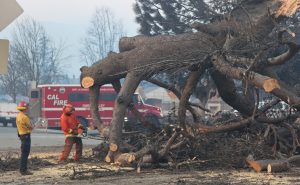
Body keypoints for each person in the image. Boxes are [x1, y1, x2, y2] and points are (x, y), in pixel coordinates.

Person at [16, 101, 33, 175]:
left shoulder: (18, 116)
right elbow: (30, 126)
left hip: (21, 135)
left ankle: (23, 169)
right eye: (27, 107)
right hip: (26, 136)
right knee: (25, 153)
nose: (28, 108)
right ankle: (23, 170)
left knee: (24, 153)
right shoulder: (25, 117)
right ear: (25, 108)